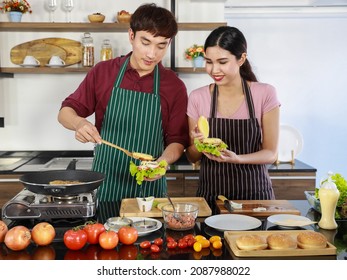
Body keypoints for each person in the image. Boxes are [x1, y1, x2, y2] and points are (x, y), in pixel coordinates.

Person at [58, 3, 189, 217]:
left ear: (169, 43)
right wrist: (79, 123)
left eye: (161, 45)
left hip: (150, 191)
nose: (151, 53)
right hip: (107, 183)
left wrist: (161, 163)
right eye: (145, 42)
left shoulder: (174, 86)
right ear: (131, 35)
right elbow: (66, 111)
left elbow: (177, 140)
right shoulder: (103, 72)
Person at [186, 26, 280, 213]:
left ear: (241, 59)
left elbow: (271, 153)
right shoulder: (198, 97)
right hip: (211, 197)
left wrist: (237, 159)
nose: (214, 70)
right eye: (209, 62)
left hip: (256, 198)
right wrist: (197, 144)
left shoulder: (264, 93)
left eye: (222, 62)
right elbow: (192, 156)